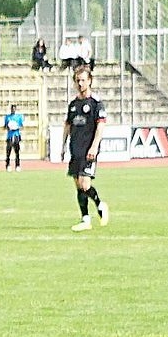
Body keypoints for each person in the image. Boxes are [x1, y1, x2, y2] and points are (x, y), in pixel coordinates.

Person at [63, 66, 108, 231]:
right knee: (78, 185)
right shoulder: (73, 105)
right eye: (78, 80)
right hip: (75, 149)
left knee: (85, 184)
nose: (80, 83)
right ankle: (85, 219)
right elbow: (67, 125)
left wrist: (94, 146)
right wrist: (63, 145)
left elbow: (100, 127)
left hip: (89, 149)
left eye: (83, 80)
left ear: (90, 81)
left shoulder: (96, 104)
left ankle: (100, 204)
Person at [3, 104, 25, 171]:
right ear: (11, 109)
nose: (13, 110)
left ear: (16, 109)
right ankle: (8, 165)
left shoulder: (19, 117)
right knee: (8, 151)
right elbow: (5, 126)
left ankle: (17, 165)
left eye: (14, 109)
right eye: (12, 109)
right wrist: (8, 127)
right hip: (9, 136)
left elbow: (21, 126)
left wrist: (16, 127)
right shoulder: (7, 117)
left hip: (16, 135)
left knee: (17, 151)